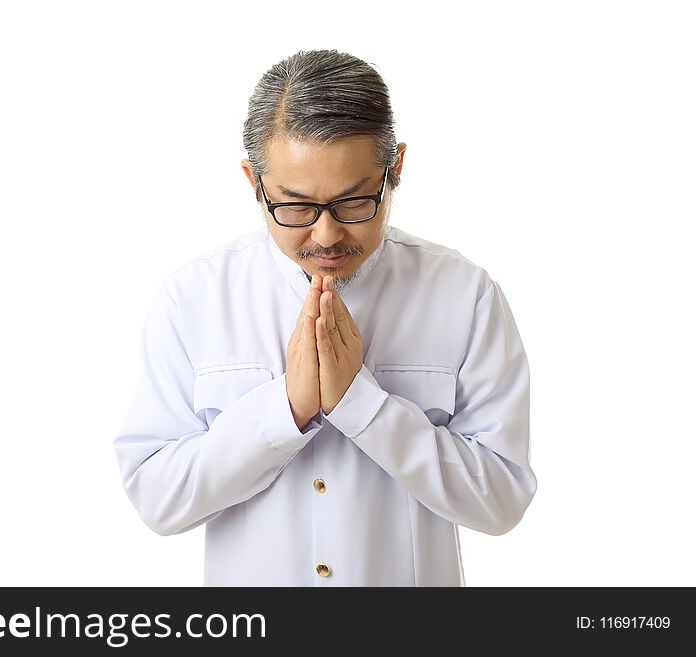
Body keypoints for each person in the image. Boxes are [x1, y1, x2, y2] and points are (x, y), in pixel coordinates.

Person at [113, 48, 537, 586]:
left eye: (355, 202)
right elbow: (157, 498)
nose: (327, 234)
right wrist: (283, 409)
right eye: (295, 207)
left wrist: (364, 407)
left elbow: (501, 500)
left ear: (396, 169)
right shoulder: (193, 298)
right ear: (253, 182)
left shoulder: (464, 294)